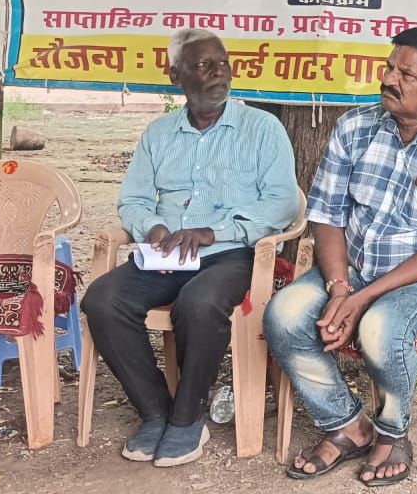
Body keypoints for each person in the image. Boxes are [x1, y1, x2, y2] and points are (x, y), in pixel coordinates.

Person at [264, 27, 417, 486]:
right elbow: (327, 216)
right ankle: (347, 425)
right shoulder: (354, 127)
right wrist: (339, 288)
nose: (389, 80)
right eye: (389, 68)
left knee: (380, 328)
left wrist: (362, 299)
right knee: (282, 316)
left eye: (406, 74)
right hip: (353, 267)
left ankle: (392, 433)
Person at [80, 29, 298, 467]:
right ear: (175, 75)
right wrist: (153, 227)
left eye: (223, 63)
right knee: (102, 300)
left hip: (229, 253)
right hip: (165, 253)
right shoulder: (159, 134)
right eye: (203, 65)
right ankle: (155, 411)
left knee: (198, 303)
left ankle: (187, 416)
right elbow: (133, 201)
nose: (219, 73)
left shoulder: (261, 128)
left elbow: (283, 203)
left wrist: (213, 232)